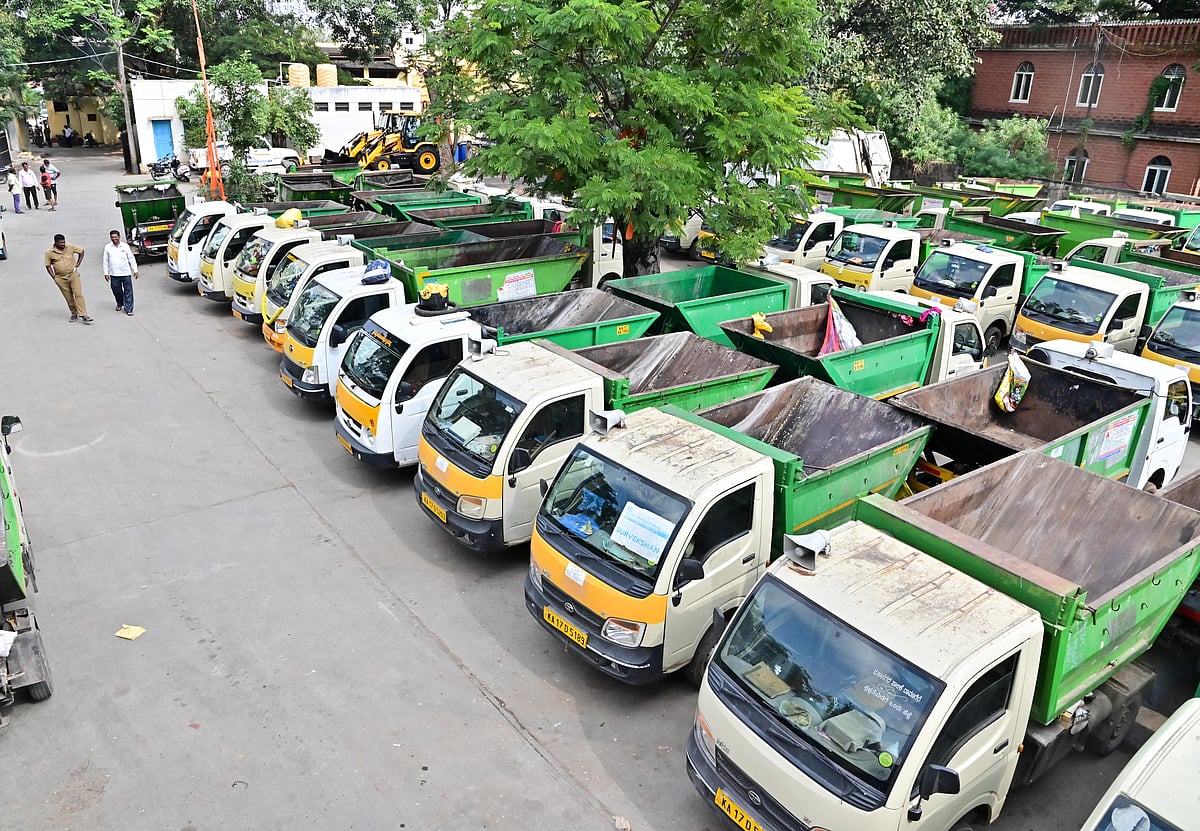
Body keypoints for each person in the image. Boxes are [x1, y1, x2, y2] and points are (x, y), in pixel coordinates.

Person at [44, 234, 91, 323]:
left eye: (64, 242)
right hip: (60, 278)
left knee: (78, 294)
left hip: (73, 275)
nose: (63, 244)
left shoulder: (70, 247)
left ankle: (84, 315)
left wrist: (78, 263)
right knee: (68, 297)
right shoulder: (49, 252)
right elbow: (48, 265)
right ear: (56, 243)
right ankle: (74, 313)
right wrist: (53, 277)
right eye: (61, 242)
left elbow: (82, 251)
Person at [103, 229, 138, 315]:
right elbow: (105, 260)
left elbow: (131, 258)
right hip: (114, 274)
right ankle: (120, 303)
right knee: (116, 290)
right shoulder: (107, 247)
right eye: (112, 237)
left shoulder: (125, 246)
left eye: (115, 237)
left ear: (119, 237)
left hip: (125, 273)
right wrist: (106, 272)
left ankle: (129, 309)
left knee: (128, 291)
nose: (114, 239)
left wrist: (135, 270)